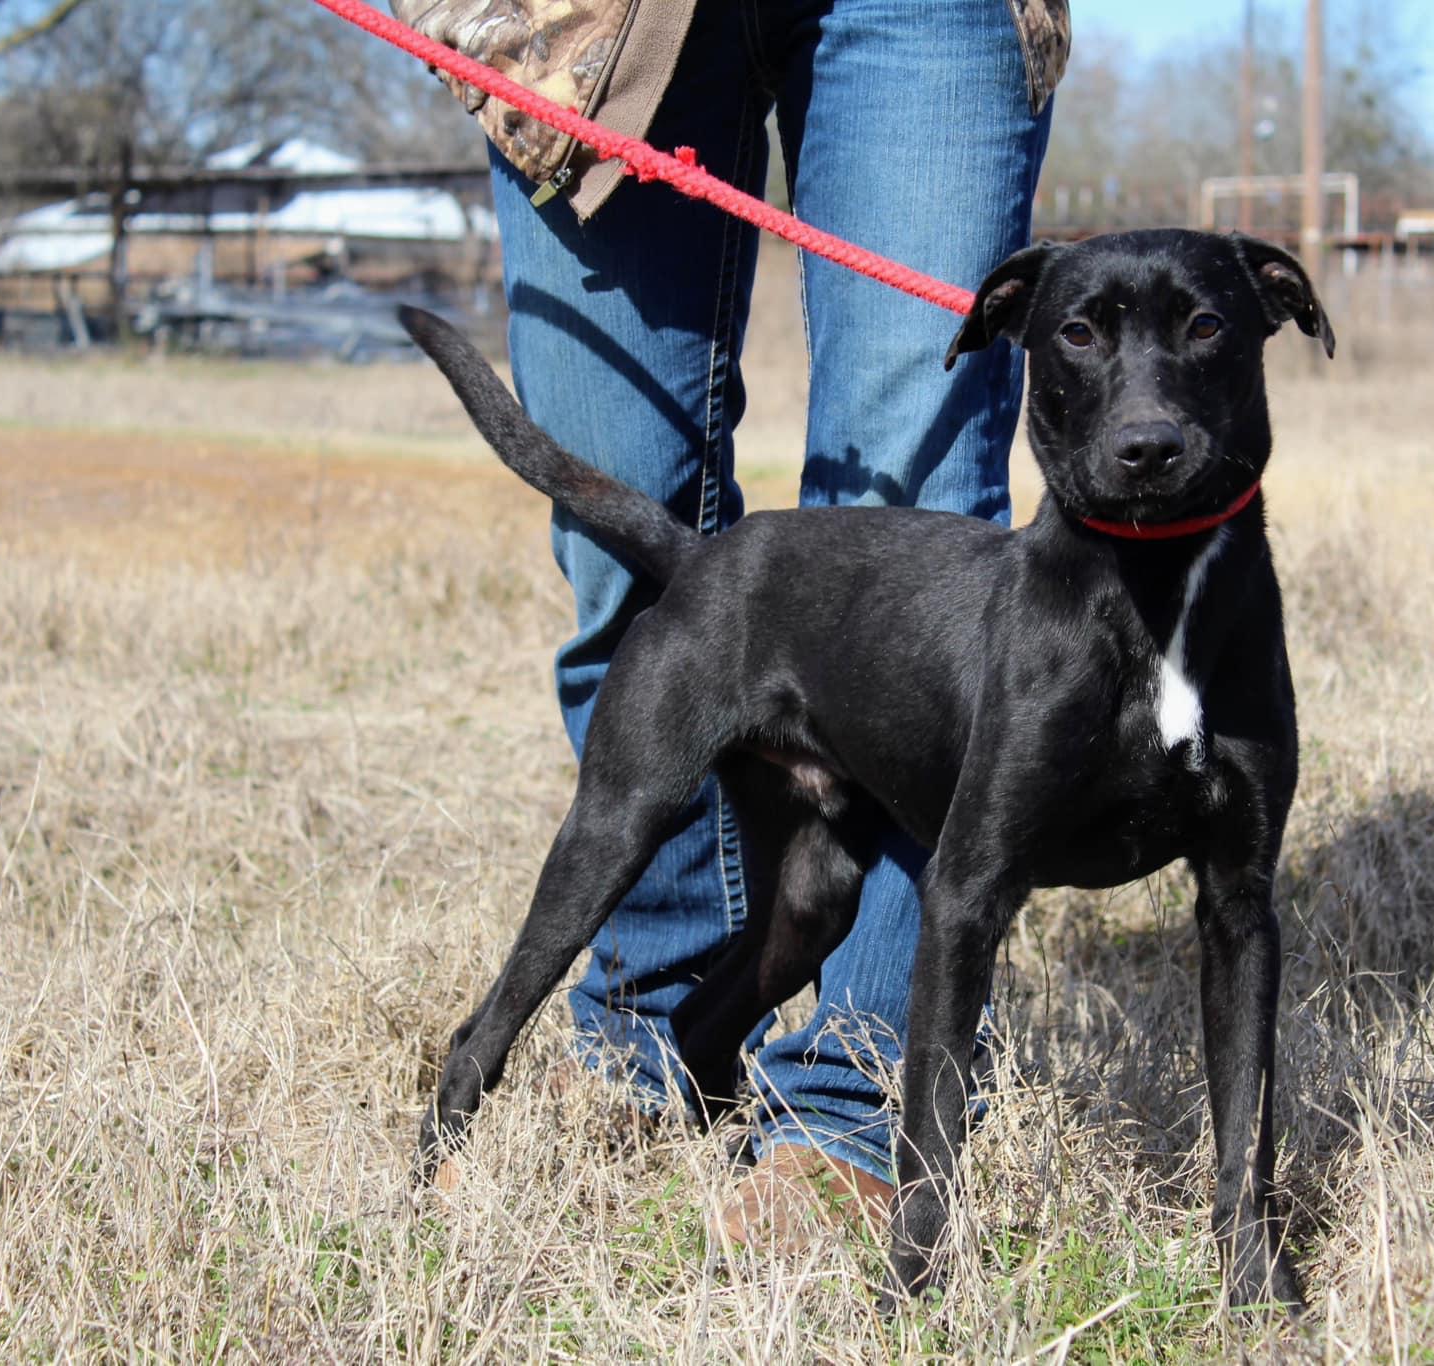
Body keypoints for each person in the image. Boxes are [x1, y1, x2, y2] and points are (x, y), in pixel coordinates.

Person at [396, 0, 1068, 1247]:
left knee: (915, 548)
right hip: (584, 18)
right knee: (629, 562)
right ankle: (648, 1046)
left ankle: (852, 1103)